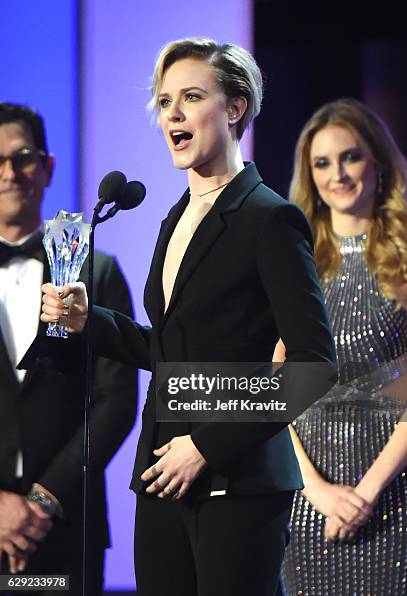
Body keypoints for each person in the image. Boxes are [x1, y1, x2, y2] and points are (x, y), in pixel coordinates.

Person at [41, 38, 335, 596]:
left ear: (234, 107)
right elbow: (171, 352)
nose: (172, 113)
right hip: (161, 475)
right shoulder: (175, 216)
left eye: (191, 96)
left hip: (238, 480)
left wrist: (205, 447)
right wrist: (90, 321)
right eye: (165, 101)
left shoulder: (270, 220)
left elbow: (312, 365)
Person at [0, 103, 137, 594]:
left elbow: (116, 399)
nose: (10, 174)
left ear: (48, 166)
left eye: (24, 158)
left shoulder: (92, 270)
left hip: (63, 526)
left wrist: (41, 500)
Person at [280, 98, 407, 595]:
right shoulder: (291, 259)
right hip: (307, 496)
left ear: (376, 160)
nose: (339, 174)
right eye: (323, 163)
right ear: (309, 175)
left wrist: (367, 493)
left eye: (351, 157)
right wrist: (315, 489)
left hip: (394, 491)